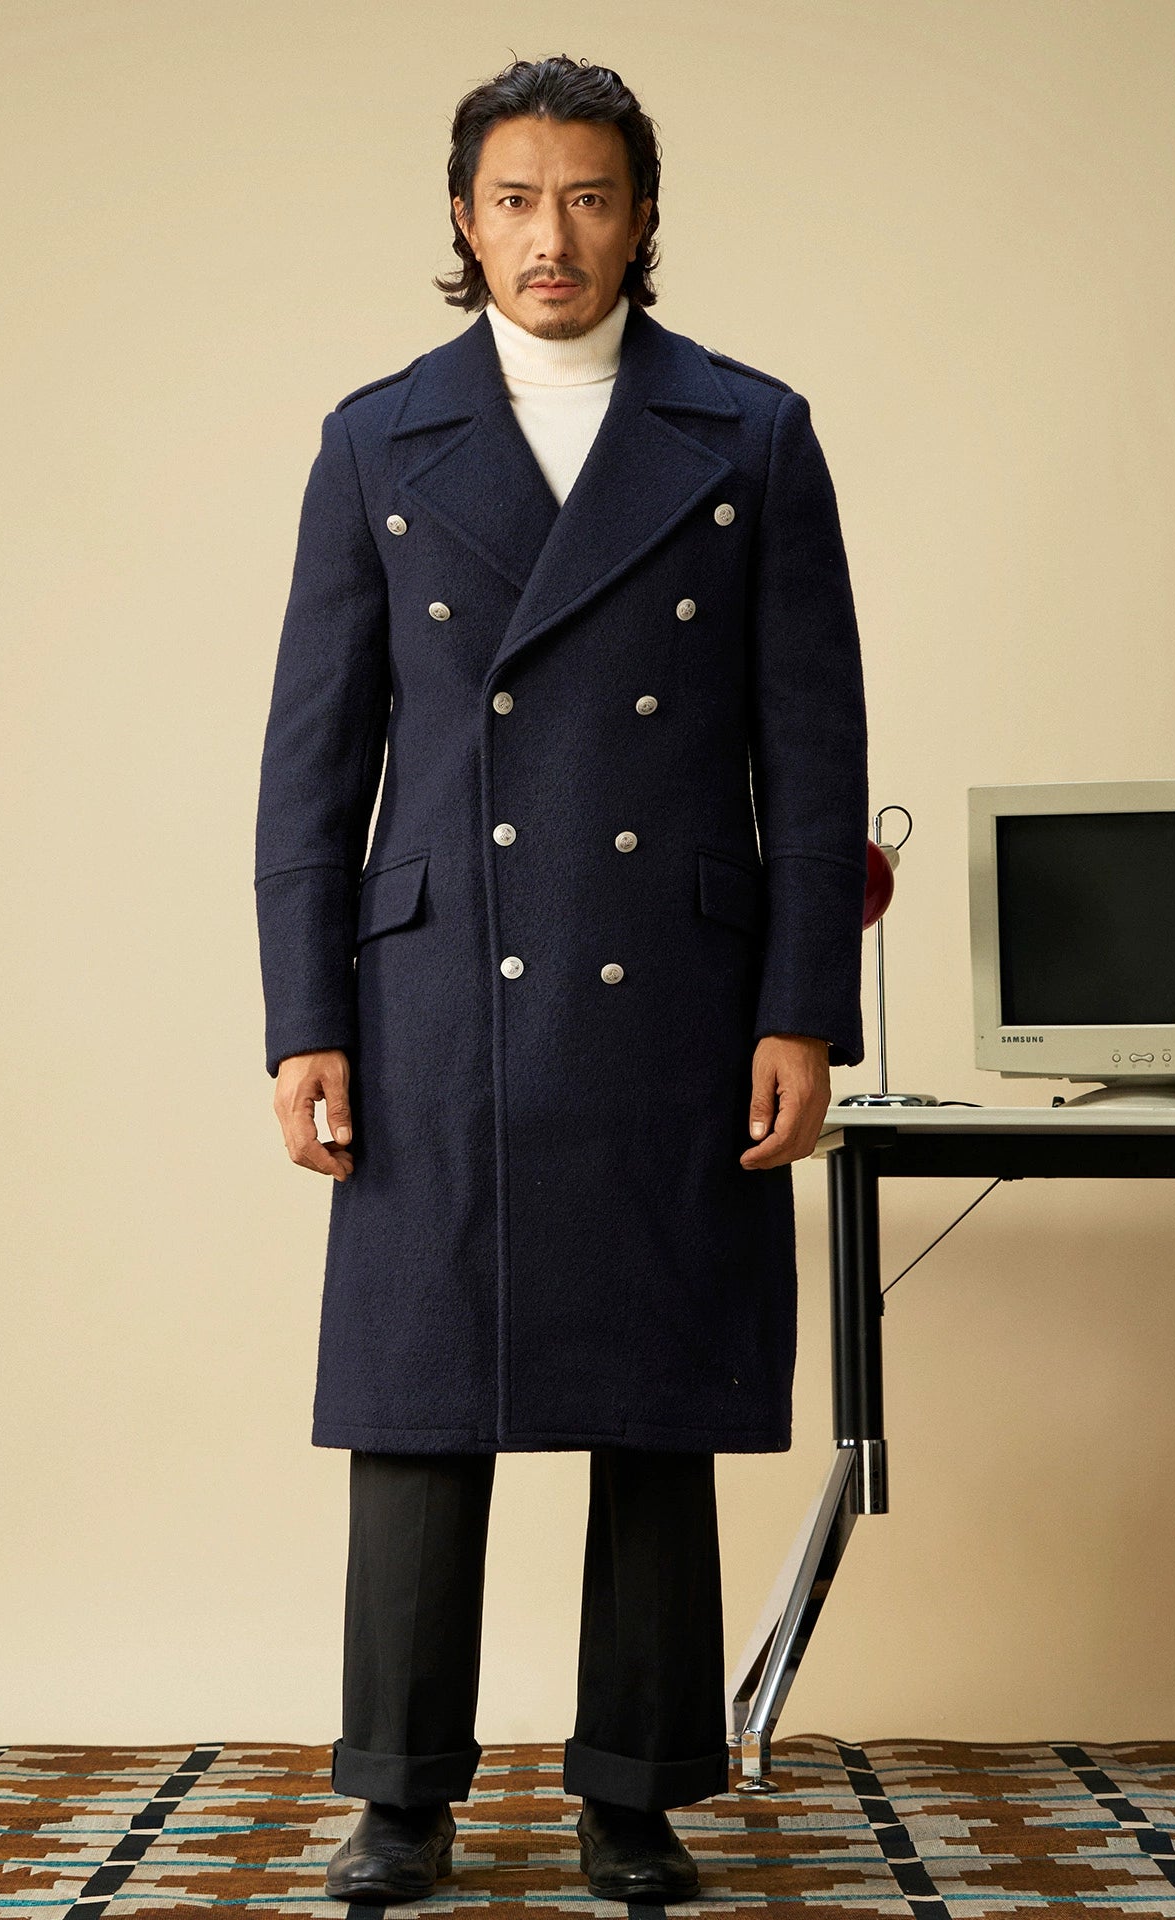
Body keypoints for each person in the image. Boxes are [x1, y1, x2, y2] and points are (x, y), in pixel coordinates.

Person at [253, 52, 869, 1906]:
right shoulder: (380, 439)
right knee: (420, 1403)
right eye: (516, 199)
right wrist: (304, 1021)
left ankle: (637, 1793)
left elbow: (813, 753)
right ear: (464, 219)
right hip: (437, 991)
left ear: (642, 217)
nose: (552, 235)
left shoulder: (751, 435)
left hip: (672, 988)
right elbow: (310, 762)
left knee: (655, 1398)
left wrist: (801, 1008)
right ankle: (400, 1797)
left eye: (588, 197)